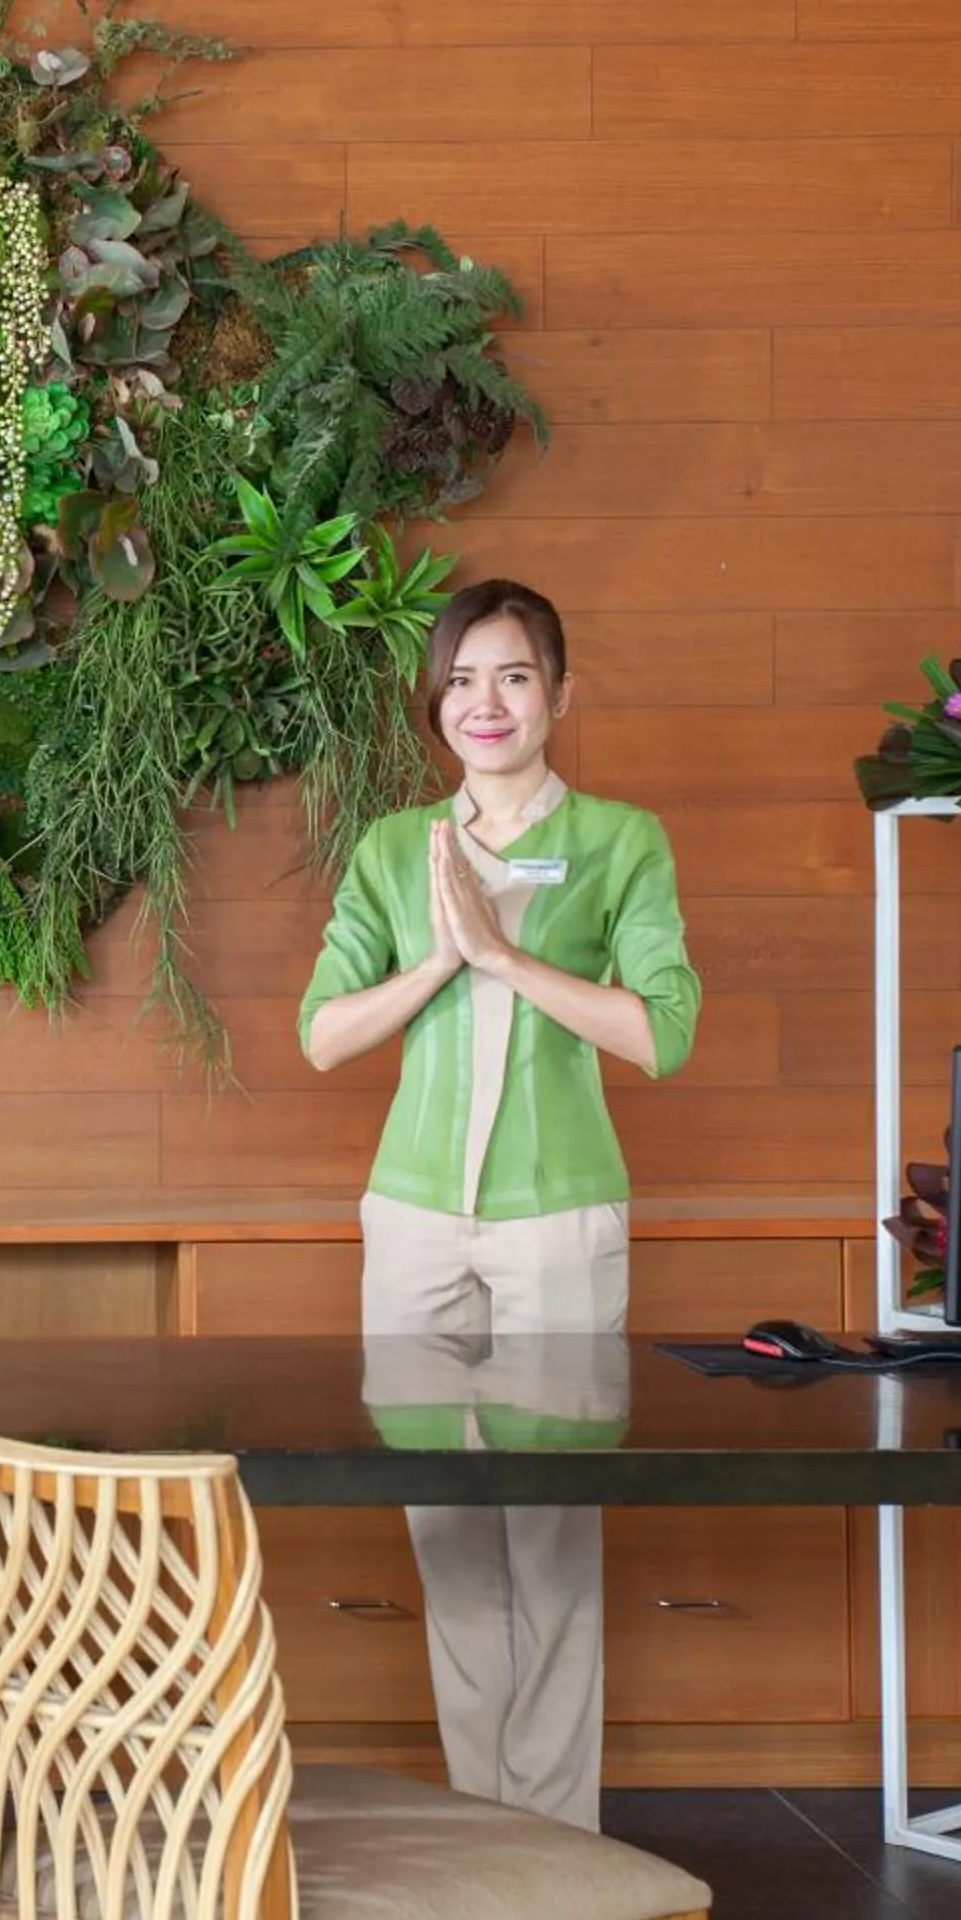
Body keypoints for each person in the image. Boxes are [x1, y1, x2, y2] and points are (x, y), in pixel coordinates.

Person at [296, 578, 701, 1833]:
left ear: (558, 695)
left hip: (557, 1223)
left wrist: (507, 957)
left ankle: (560, 1839)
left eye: (514, 675)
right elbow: (322, 1035)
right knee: (447, 1527)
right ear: (436, 702)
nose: (487, 702)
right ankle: (486, 1828)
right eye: (462, 679)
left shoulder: (623, 840)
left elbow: (665, 1033)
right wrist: (439, 955)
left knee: (553, 1523)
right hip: (411, 1223)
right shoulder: (391, 849)